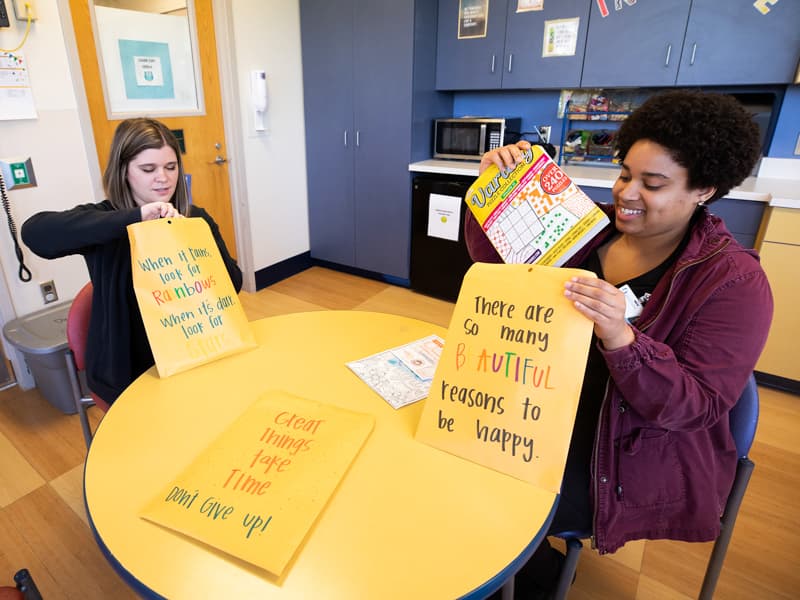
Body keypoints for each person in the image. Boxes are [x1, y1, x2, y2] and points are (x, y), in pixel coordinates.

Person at [466, 90, 773, 597]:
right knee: (447, 458)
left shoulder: (733, 281)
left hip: (618, 451)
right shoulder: (590, 226)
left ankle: (519, 572)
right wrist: (498, 194)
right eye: (626, 173)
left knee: (493, 495)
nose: (627, 193)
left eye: (652, 184)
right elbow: (504, 272)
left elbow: (696, 405)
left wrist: (621, 337)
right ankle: (516, 565)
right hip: (532, 406)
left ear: (704, 190)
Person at [22, 118, 242, 405]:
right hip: (127, 366)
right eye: (148, 169)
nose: (163, 178)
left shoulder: (193, 217)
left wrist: (193, 240)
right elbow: (35, 233)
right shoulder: (106, 221)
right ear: (124, 171)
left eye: (171, 167)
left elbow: (233, 284)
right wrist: (135, 217)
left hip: (193, 350)